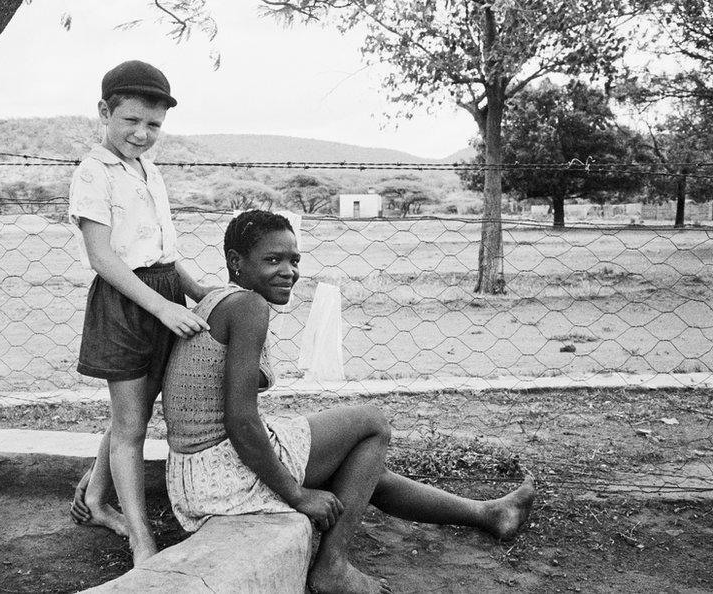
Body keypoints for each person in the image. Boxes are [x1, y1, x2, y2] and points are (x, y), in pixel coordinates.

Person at [162, 210, 536, 594]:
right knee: (372, 424)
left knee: (363, 470)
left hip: (195, 474)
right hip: (223, 475)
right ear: (236, 262)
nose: (288, 271)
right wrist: (298, 495)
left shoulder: (219, 299)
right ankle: (332, 567)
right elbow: (241, 421)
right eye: (272, 260)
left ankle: (491, 514)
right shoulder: (247, 307)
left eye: (294, 260)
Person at [67, 59, 212, 564]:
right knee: (132, 427)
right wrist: (165, 308)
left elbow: (163, 251)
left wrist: (200, 292)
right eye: (131, 121)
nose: (142, 133)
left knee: (134, 412)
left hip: (164, 294)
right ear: (105, 112)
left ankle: (94, 496)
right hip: (129, 304)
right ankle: (140, 539)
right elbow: (102, 256)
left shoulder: (148, 170)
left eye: (153, 125)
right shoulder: (93, 172)